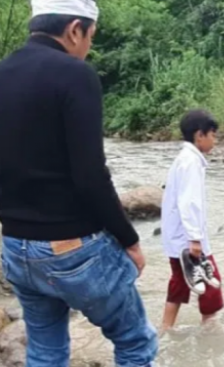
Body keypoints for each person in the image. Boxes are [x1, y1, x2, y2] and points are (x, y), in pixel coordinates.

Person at [0, 1, 158, 366]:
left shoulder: (2, 72)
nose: (88, 48)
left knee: (45, 351)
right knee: (136, 342)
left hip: (15, 248)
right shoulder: (75, 74)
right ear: (75, 29)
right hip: (72, 248)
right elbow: (90, 175)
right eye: (91, 37)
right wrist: (129, 239)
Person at [161, 110, 224, 331]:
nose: (215, 140)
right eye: (213, 135)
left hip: (177, 235)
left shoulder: (185, 159)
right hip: (186, 239)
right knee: (211, 282)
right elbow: (189, 203)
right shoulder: (191, 162)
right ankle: (210, 329)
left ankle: (166, 328)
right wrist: (195, 239)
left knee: (179, 281)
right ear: (200, 135)